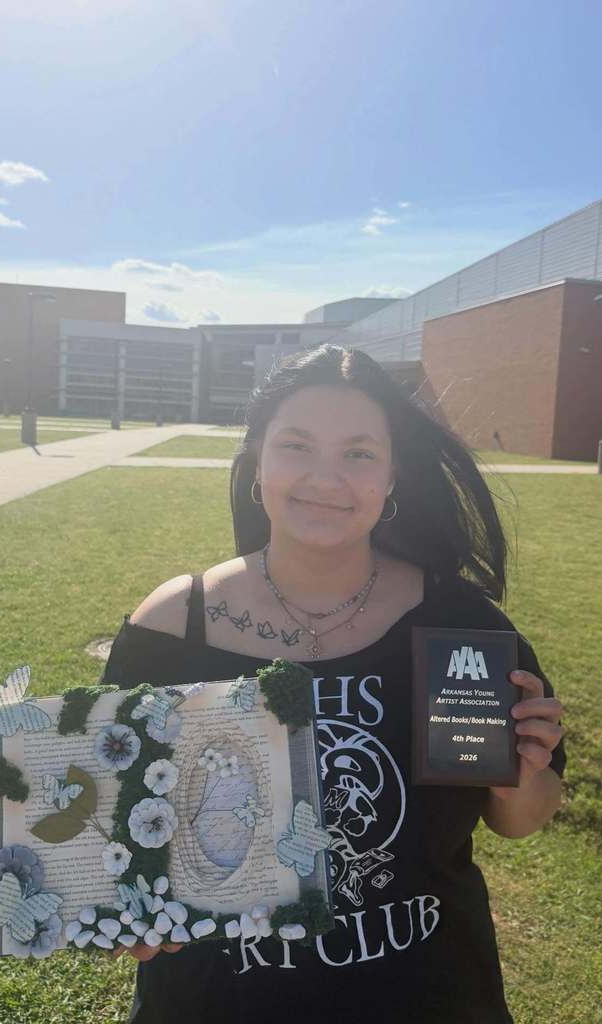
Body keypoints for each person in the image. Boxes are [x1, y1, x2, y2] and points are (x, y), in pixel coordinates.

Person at [100, 343, 566, 1024]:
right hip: (219, 1001)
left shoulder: (462, 626)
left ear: (392, 474)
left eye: (358, 453)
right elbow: (114, 833)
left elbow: (519, 821)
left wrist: (520, 774)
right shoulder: (175, 626)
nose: (327, 477)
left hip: (426, 996)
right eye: (296, 446)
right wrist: (124, 910)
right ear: (258, 462)